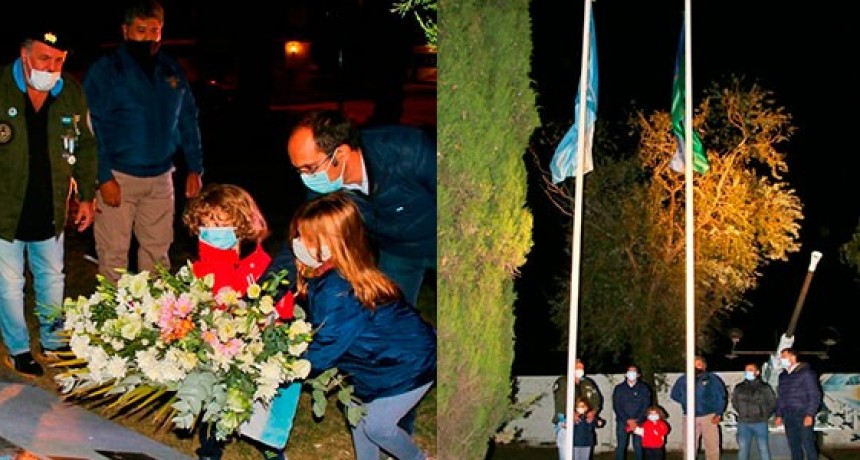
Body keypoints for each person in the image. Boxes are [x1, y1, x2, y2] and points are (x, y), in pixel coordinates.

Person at [289, 191, 436, 460]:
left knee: (378, 426)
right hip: (378, 363)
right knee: (358, 415)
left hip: (410, 363)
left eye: (306, 238)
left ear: (331, 243)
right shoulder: (334, 274)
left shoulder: (338, 289)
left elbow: (328, 343)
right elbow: (325, 326)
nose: (298, 243)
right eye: (298, 235)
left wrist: (290, 365)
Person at [84, 0, 204, 284]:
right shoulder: (106, 71)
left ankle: (155, 311)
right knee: (113, 256)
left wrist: (194, 167)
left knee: (158, 256)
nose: (149, 37)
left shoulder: (171, 70)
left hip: (161, 178)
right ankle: (112, 311)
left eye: (155, 30)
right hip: (119, 177)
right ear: (125, 31)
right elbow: (90, 129)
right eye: (141, 30)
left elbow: (188, 118)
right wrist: (103, 176)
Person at [0, 28, 97, 376]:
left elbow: (85, 146)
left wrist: (86, 196)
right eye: (44, 58)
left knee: (52, 277)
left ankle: (54, 342)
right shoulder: (2, 87)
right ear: (25, 55)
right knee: (9, 284)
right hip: (6, 209)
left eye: (59, 60)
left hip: (50, 205)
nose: (51, 68)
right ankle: (18, 348)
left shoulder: (69, 91)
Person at [270, 109, 435, 308]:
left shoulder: (409, 149)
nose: (306, 178)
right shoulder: (324, 189)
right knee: (387, 312)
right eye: (299, 170)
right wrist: (263, 296)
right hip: (397, 251)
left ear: (341, 153)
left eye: (310, 168)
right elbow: (301, 242)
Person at [181, 183, 296, 460]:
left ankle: (269, 443)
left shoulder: (260, 262)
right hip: (216, 344)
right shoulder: (201, 267)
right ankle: (211, 446)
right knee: (211, 390)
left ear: (241, 224)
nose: (212, 231)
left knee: (262, 391)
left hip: (253, 342)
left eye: (221, 224)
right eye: (206, 224)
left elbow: (278, 299)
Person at [670, 355, 727, 460]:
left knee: (712, 445)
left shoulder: (712, 379)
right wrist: (687, 402)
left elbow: (720, 396)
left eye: (699, 364)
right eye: (693, 364)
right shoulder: (683, 379)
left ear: (704, 366)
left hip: (709, 416)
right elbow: (674, 394)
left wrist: (718, 413)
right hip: (689, 416)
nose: (696, 367)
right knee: (689, 445)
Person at [774, 347, 821, 460]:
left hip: (802, 414)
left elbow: (814, 394)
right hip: (788, 415)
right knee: (794, 446)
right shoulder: (783, 376)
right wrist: (779, 414)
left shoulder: (806, 373)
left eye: (783, 357)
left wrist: (810, 414)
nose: (781, 359)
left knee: (808, 445)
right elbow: (781, 397)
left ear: (792, 357)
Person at [553, 358, 604, 460]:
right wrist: (571, 414)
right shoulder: (563, 382)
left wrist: (593, 412)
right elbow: (560, 402)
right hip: (566, 422)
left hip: (584, 424)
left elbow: (597, 400)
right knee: (567, 455)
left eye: (582, 368)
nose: (580, 370)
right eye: (577, 368)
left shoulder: (588, 383)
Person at [731, 362, 776, 460]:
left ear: (757, 372)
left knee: (763, 449)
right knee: (743, 449)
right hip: (743, 423)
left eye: (751, 370)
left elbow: (772, 403)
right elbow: (735, 402)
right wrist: (742, 412)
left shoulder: (765, 387)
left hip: (760, 423)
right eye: (746, 370)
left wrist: (764, 415)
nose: (748, 372)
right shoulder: (739, 387)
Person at [612, 365, 652, 460]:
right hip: (622, 422)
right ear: (626, 374)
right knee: (621, 446)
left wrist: (637, 420)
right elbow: (617, 406)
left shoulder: (644, 388)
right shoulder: (619, 388)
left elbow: (646, 405)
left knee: (638, 447)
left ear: (638, 375)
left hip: (639, 422)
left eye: (634, 372)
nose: (631, 374)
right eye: (629, 372)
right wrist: (627, 420)